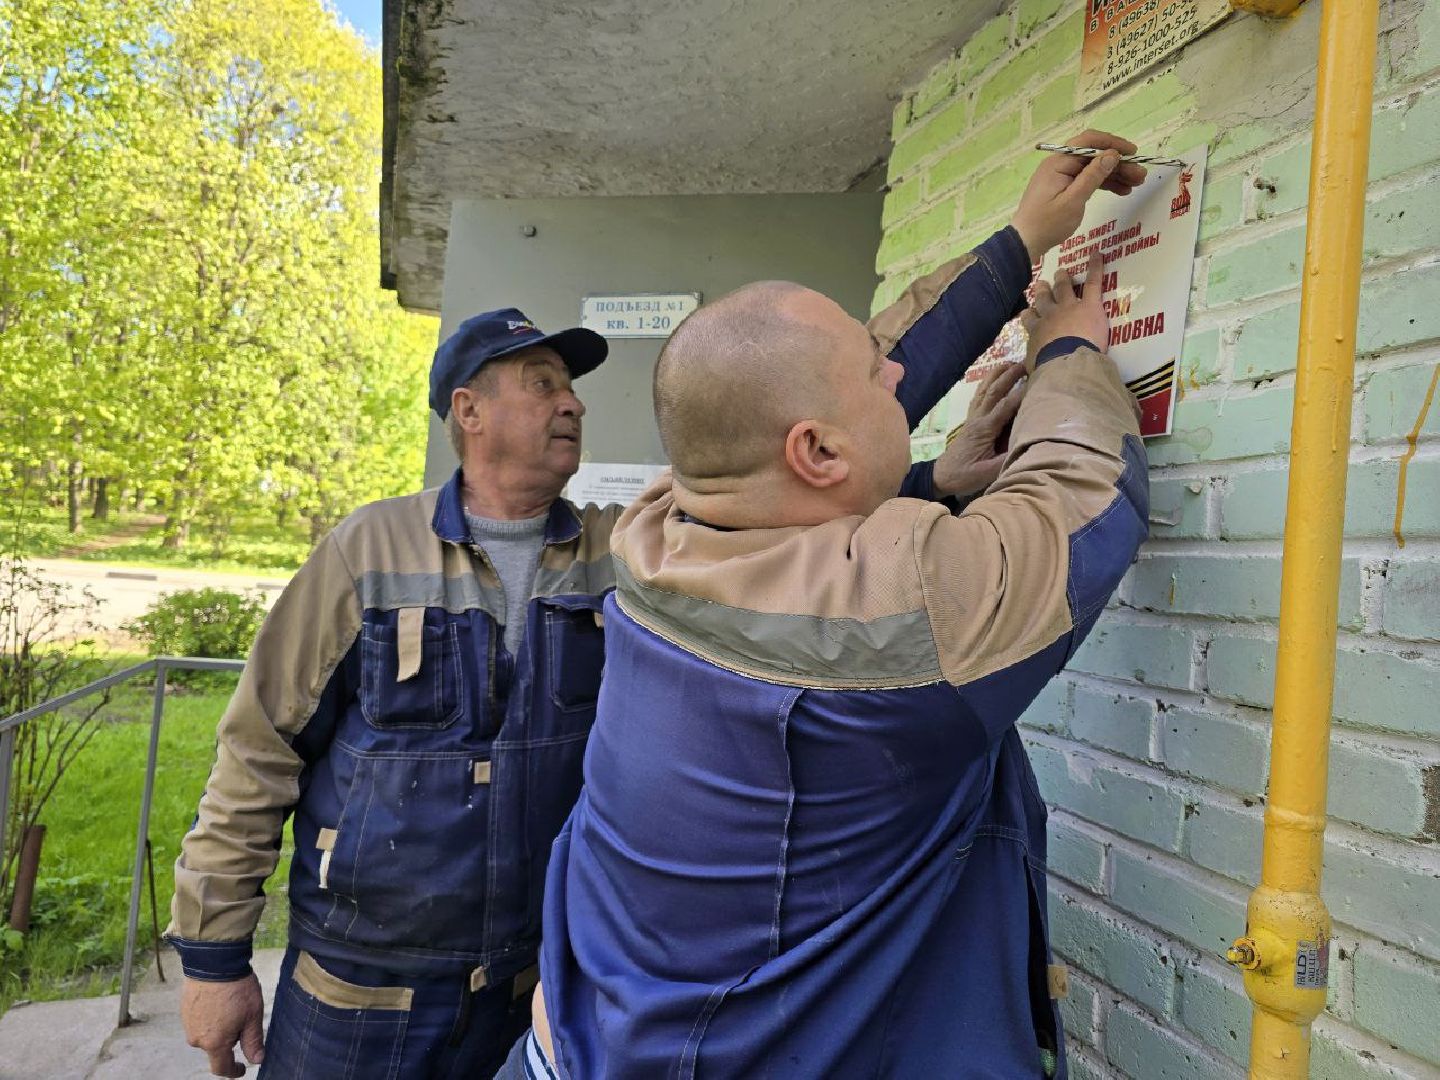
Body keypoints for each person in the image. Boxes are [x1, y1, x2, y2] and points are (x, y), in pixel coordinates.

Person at [166, 132, 1141, 1079]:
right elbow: (259, 748)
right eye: (541, 381)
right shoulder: (372, 551)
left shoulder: (635, 539)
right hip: (368, 1004)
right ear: (466, 409)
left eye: (572, 386)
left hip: (545, 1001)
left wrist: (1007, 270)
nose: (572, 403)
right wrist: (214, 960)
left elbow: (791, 444)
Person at [515, 149, 1150, 1078]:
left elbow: (811, 394)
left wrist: (1018, 248)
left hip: (578, 1041)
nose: (895, 376)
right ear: (816, 450)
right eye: (874, 373)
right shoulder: (905, 623)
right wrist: (1069, 347)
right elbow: (1085, 499)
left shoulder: (662, 530)